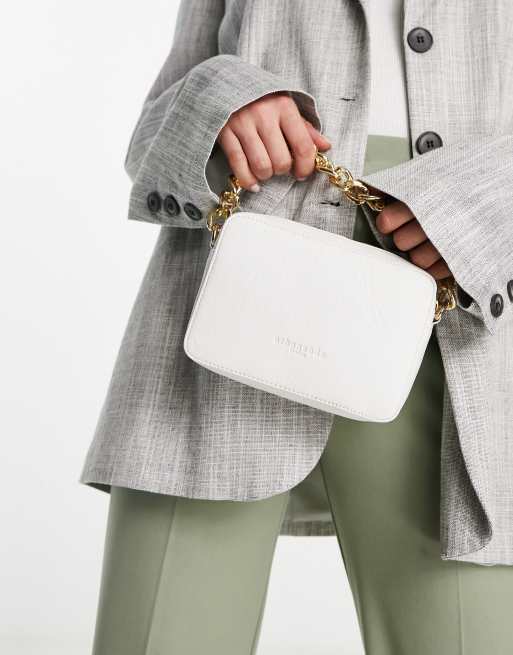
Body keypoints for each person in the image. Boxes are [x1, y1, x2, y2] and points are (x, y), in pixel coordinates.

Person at [80, 1, 513, 653]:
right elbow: (154, 130)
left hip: (460, 301)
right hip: (235, 293)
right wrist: (226, 101)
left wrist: (487, 203)